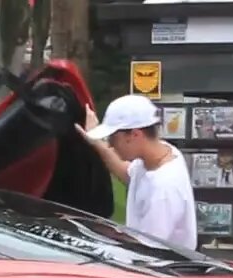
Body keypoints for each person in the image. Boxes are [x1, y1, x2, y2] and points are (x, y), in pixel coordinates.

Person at [77, 94, 198, 252]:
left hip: (161, 271)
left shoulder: (164, 190)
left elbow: (145, 250)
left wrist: (92, 232)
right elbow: (128, 174)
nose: (111, 144)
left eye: (113, 137)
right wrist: (96, 142)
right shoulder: (162, 153)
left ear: (135, 134)